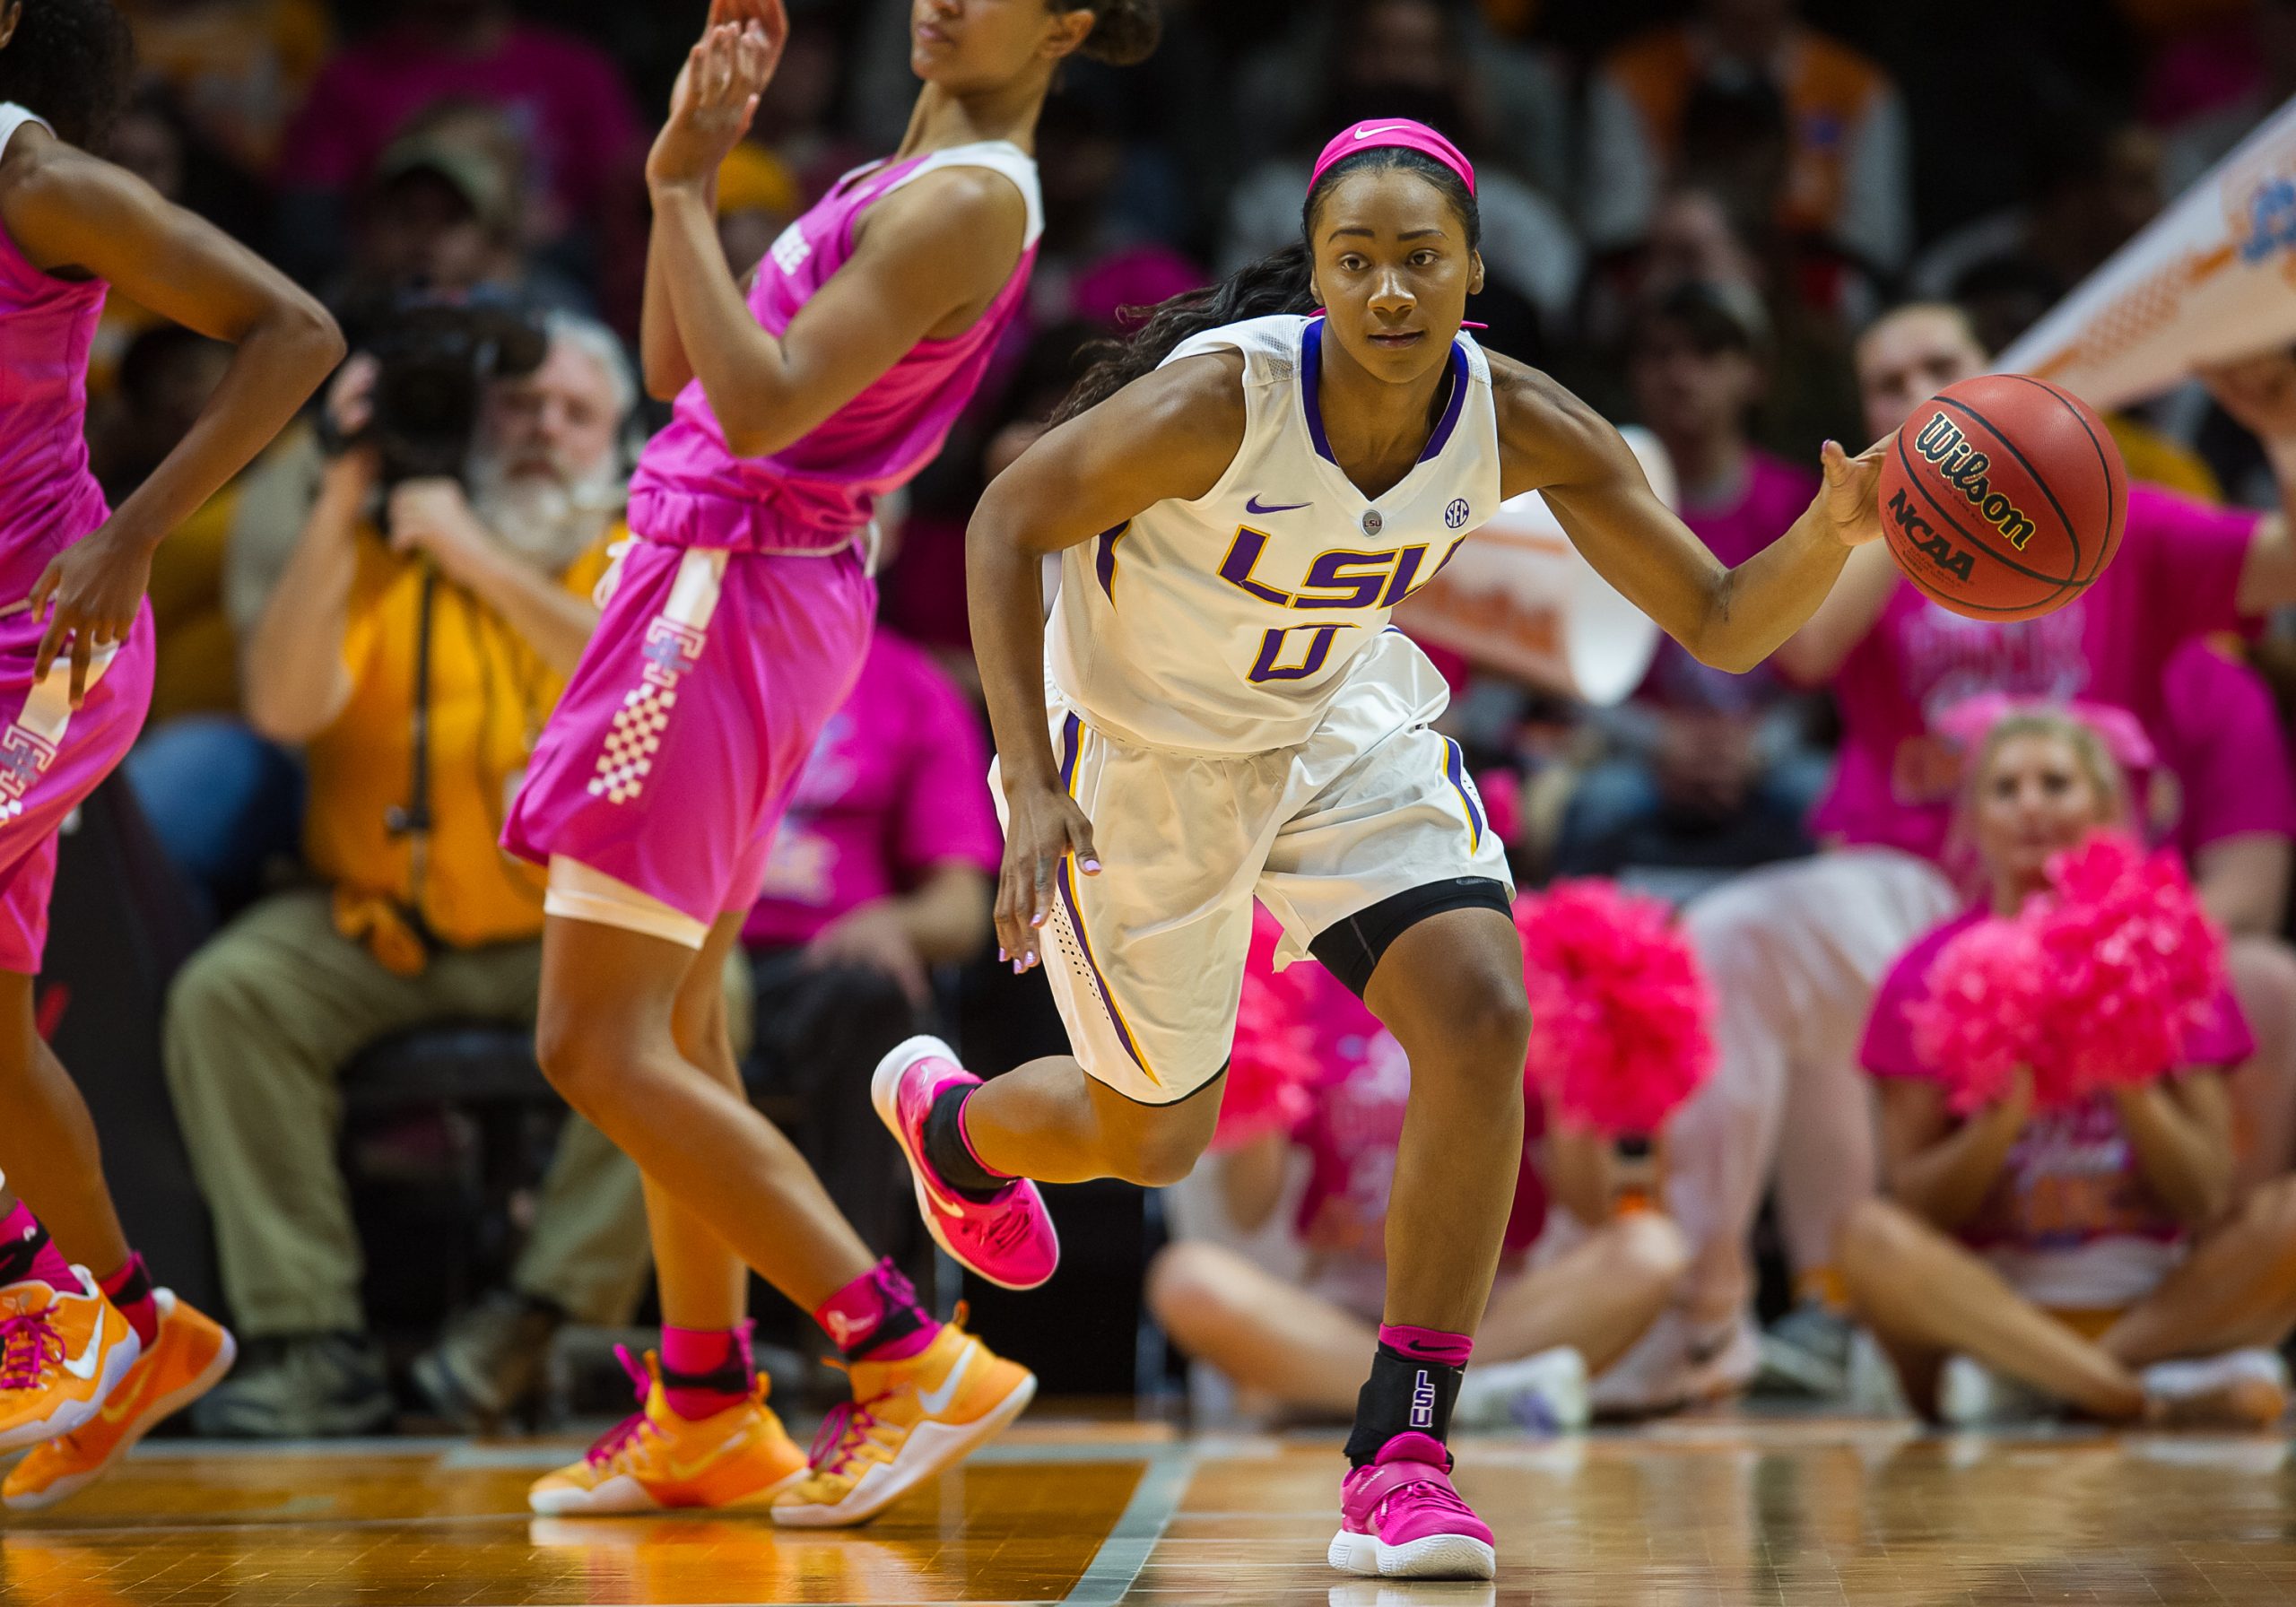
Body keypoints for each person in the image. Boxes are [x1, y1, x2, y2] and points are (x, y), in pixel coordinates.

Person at [874, 118, 1881, 1582]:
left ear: (1474, 274)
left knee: (1482, 1012)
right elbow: (1007, 519)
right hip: (1145, 754)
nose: (1391, 291)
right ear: (1320, 277)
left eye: (1421, 260)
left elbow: (1724, 621)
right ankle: (956, 1125)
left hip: (1332, 709)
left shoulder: (1521, 418)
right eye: (1358, 262)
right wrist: (1029, 784)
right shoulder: (1225, 403)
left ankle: (1403, 1451)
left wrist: (1841, 530)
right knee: (1151, 1132)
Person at [500, 0, 1161, 1527]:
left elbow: (763, 403)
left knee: (590, 1042)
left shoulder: (971, 198)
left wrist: (678, 198)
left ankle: (902, 1350)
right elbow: (686, 358)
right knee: (673, 1024)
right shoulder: (898, 176)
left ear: (1067, 21)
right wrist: (690, 172)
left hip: (726, 591)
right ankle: (709, 1401)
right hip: (734, 578)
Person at [1666, 302, 2296, 1408]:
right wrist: (1895, 503)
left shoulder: (2113, 515)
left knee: (2269, 982)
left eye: (1941, 367)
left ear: (2001, 375)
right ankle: (1713, 1315)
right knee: (1731, 932)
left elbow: (2283, 567)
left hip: (2099, 906)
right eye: (1885, 381)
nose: (1913, 389)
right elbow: (1800, 643)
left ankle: (2191, 1292)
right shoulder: (1862, 533)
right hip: (1921, 892)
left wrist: (2284, 437)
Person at [161, 314, 655, 1439]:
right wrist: (345, 488)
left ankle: (531, 1326)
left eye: (572, 413)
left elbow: (634, 693)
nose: (542, 432)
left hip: (566, 940)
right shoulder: (379, 548)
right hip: (378, 929)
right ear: (472, 421)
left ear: (618, 436)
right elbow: (282, 708)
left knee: (694, 999)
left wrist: (480, 557)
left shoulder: (633, 553)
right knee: (230, 993)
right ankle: (308, 1343)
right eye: (519, 408)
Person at [0, 0, 343, 1508]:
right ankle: (139, 1324)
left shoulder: (38, 184)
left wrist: (137, 535)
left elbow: (299, 332)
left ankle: (32, 1299)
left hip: (47, 641)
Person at [1842, 709, 2296, 1430]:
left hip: (2157, 1305)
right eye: (2005, 788)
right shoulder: (1922, 974)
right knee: (1867, 1237)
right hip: (1986, 1314)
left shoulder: (2172, 956)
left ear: (2108, 810)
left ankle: (2075, 1383)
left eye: (2055, 782)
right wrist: (2004, 1114)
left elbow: (2207, 1196)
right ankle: (2132, 1396)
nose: (2030, 805)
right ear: (1974, 821)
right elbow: (1918, 1205)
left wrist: (2128, 1079)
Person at [1148, 908, 1689, 1431]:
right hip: (1343, 1310)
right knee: (1187, 1277)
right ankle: (1470, 1399)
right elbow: (1249, 1209)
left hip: (1488, 1305)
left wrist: (1583, 1059)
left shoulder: (1529, 966)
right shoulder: (1304, 966)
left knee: (1651, 1248)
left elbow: (1592, 1205)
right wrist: (1253, 1069)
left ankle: (1350, 1392)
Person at [739, 621, 999, 1259]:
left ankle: (857, 1295)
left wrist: (893, 924)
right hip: (692, 952)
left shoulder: (911, 684)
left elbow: (962, 912)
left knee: (875, 999)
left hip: (816, 970)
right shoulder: (691, 657)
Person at [1582, 0, 1910, 273]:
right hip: (1669, 280)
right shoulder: (1632, 76)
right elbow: (1615, 238)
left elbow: (1874, 251)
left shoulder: (1858, 87)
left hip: (1808, 293)